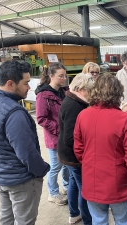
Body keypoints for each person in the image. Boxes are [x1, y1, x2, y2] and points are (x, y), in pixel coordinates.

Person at [0, 60, 50, 224]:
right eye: (26, 83)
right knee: (25, 220)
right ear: (11, 83)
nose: (29, 88)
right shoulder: (14, 113)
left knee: (6, 218)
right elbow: (27, 153)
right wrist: (41, 170)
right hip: (20, 179)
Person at [73, 73, 127, 225]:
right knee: (122, 221)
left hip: (92, 179)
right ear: (118, 92)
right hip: (118, 180)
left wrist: (91, 162)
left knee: (98, 221)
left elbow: (78, 149)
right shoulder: (124, 119)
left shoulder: (83, 115)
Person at [58, 73, 94, 225]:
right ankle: (88, 220)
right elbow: (70, 138)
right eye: (89, 91)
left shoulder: (73, 100)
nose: (91, 94)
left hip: (67, 154)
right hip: (73, 156)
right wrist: (84, 155)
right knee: (85, 190)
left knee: (73, 183)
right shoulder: (74, 105)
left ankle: (74, 213)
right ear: (79, 88)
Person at [35, 62, 69, 206]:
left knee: (67, 164)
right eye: (61, 76)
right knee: (56, 166)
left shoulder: (65, 91)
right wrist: (59, 129)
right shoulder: (43, 95)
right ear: (51, 76)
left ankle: (67, 187)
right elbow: (41, 118)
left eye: (65, 75)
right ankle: (53, 193)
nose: (64, 78)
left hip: (67, 135)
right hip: (55, 137)